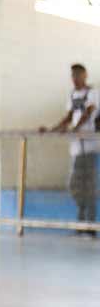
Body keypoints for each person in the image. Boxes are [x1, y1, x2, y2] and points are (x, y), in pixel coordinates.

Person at [41, 63, 99, 237]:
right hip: (76, 149)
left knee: (88, 187)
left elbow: (88, 113)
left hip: (89, 147)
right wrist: (51, 130)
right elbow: (68, 117)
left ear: (85, 75)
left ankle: (88, 227)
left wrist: (76, 129)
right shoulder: (73, 95)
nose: (74, 79)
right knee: (75, 186)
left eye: (77, 75)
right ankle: (82, 224)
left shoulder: (93, 93)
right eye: (72, 76)